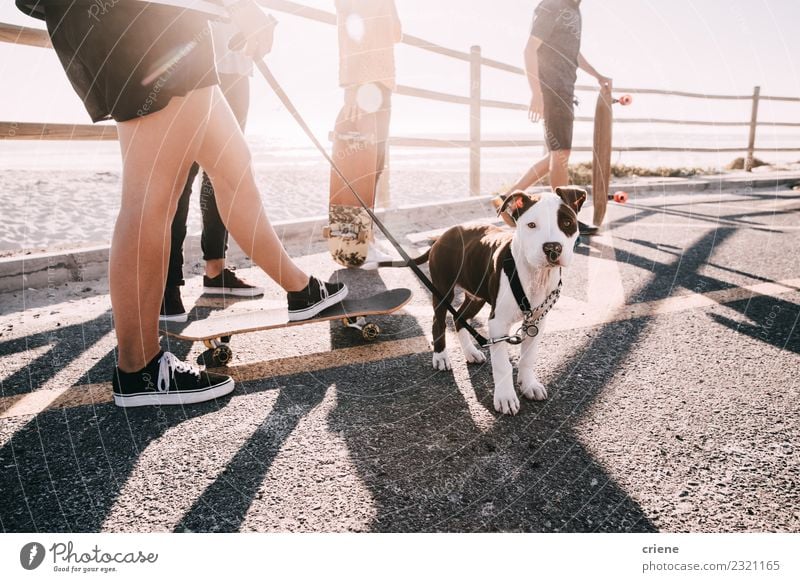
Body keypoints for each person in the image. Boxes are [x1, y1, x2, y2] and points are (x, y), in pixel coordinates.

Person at [17, 0, 348, 407]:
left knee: (233, 168)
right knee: (152, 193)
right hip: (143, 17)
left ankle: (301, 290)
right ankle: (138, 368)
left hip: (171, 20)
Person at [161, 20, 264, 323]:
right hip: (191, 57)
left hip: (236, 64)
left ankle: (216, 271)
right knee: (180, 173)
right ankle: (166, 286)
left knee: (223, 174)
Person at [506, 0, 611, 235]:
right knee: (560, 155)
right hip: (551, 90)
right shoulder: (552, 5)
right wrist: (537, 93)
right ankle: (563, 218)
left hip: (565, 91)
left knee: (557, 156)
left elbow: (573, 53)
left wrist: (597, 75)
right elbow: (530, 49)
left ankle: (508, 199)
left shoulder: (575, 10)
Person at [331, 0, 402, 268]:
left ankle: (365, 238)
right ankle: (357, 244)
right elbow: (349, 27)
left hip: (382, 81)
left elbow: (396, 32)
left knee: (375, 164)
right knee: (360, 167)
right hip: (364, 83)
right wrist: (351, 86)